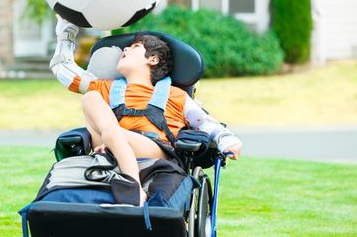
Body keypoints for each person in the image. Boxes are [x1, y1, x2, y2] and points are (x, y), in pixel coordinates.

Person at [50, 16, 242, 206]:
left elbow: (204, 122)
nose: (124, 49)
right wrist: (66, 29)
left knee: (112, 131)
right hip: (109, 149)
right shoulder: (104, 88)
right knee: (90, 98)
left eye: (134, 47)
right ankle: (120, 161)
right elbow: (62, 68)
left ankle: (132, 186)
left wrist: (226, 139)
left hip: (153, 149)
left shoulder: (175, 95)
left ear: (152, 59)